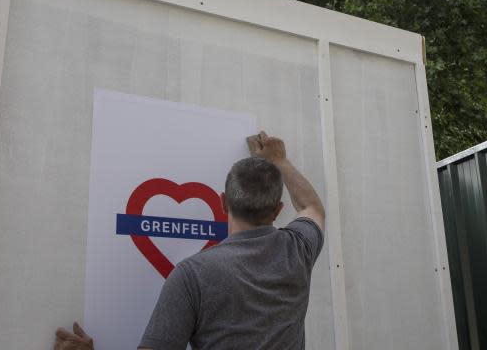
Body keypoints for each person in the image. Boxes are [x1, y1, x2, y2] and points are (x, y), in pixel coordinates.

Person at [54, 131, 326, 350]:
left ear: (222, 203)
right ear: (278, 210)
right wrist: (280, 160)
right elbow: (311, 207)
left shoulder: (192, 274)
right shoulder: (299, 250)